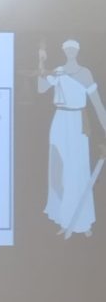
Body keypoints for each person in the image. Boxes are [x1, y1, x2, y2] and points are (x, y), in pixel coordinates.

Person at [38, 39, 106, 237]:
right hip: (59, 122)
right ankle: (64, 219)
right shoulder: (58, 71)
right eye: (67, 48)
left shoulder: (85, 73)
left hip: (77, 124)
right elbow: (41, 88)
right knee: (57, 172)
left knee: (76, 172)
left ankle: (82, 223)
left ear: (78, 50)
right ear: (63, 50)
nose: (70, 51)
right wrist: (41, 62)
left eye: (73, 48)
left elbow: (97, 104)